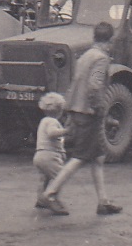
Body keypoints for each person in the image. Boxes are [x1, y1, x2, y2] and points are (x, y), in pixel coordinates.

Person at [39, 22, 122, 217]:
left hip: (77, 109)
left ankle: (103, 202)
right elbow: (94, 85)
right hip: (89, 112)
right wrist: (99, 108)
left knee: (97, 158)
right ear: (109, 41)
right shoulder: (101, 59)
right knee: (80, 157)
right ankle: (50, 194)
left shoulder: (85, 56)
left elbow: (76, 82)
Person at [33, 92, 69, 209]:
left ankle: (40, 199)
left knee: (44, 178)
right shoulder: (53, 122)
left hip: (39, 155)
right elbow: (52, 133)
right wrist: (66, 131)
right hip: (50, 156)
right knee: (59, 178)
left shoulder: (43, 121)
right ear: (60, 110)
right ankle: (53, 200)